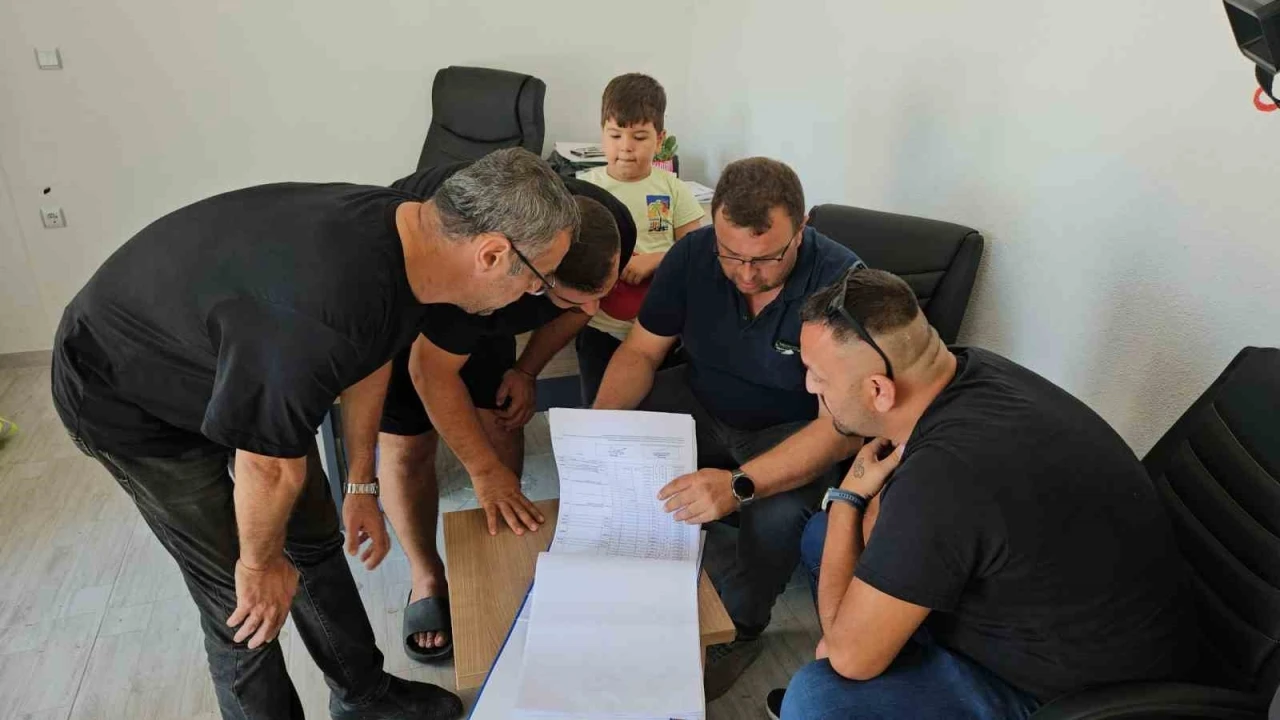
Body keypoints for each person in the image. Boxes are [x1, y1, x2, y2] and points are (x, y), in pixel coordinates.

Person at [51, 148, 578, 720]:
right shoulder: (321, 313)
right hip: (129, 394)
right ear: (492, 254)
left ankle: (363, 696)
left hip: (243, 363)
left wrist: (361, 483)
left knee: (314, 540)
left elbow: (368, 357)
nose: (534, 294)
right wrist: (259, 565)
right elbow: (269, 465)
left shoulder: (412, 240)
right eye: (538, 279)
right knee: (242, 604)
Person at [768, 268, 1193, 719]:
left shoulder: (946, 475)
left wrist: (845, 501)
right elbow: (895, 517)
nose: (809, 386)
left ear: (879, 391)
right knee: (823, 539)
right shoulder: (965, 370)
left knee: (820, 696)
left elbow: (847, 661)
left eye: (818, 376)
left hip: (1063, 694)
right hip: (1035, 612)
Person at [592, 157, 862, 700]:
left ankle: (741, 629)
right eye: (731, 254)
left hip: (792, 424)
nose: (746, 274)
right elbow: (641, 353)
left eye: (765, 258)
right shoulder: (692, 254)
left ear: (802, 229)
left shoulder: (843, 282)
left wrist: (740, 484)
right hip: (701, 396)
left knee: (778, 513)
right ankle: (631, 573)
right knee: (623, 444)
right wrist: (598, 432)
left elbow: (844, 427)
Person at [378, 164, 636, 661]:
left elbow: (580, 308)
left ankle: (498, 554)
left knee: (501, 415)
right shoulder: (475, 275)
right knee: (408, 446)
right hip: (416, 300)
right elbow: (430, 372)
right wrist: (482, 471)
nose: (593, 310)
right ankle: (426, 575)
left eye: (600, 295)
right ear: (539, 276)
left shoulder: (611, 224)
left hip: (496, 306)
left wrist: (526, 370)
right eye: (576, 298)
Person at [575, 72, 704, 403]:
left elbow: (696, 251)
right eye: (615, 135)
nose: (626, 147)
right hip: (601, 326)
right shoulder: (585, 188)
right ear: (602, 135)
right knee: (600, 406)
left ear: (660, 140)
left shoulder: (673, 188)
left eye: (640, 137)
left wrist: (655, 259)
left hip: (661, 328)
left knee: (657, 406)